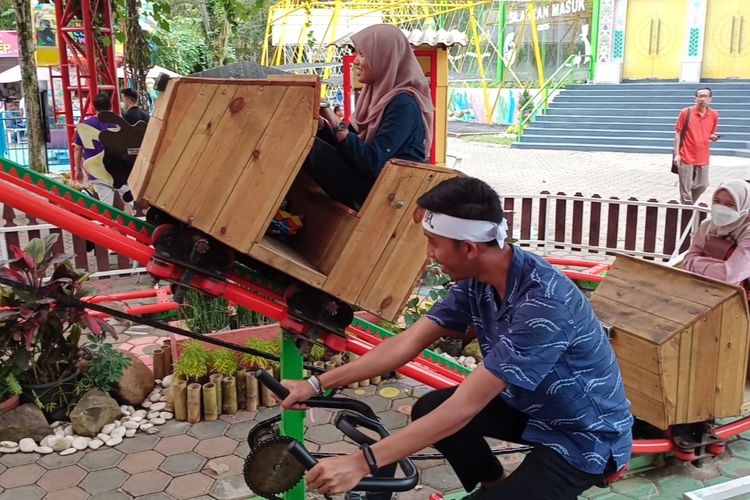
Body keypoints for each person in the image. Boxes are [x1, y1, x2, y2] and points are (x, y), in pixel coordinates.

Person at [278, 177, 633, 499]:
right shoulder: (478, 281)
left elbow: (464, 407)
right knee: (428, 408)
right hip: (533, 409)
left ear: (468, 248)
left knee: (450, 412)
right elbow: (408, 342)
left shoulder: (544, 304)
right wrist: (314, 384)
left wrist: (361, 462)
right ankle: (494, 485)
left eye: (433, 243)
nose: (429, 254)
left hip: (584, 437)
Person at [304, 23, 434, 210]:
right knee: (304, 136)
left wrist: (332, 118)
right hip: (366, 184)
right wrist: (321, 124)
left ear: (384, 59)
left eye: (363, 54)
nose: (356, 60)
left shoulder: (403, 104)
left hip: (383, 195)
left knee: (304, 145)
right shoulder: (373, 97)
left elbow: (370, 162)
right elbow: (347, 145)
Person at [683, 179, 750, 297]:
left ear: (744, 206)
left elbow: (729, 275)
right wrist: (719, 267)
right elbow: (687, 261)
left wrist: (696, 262)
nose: (721, 208)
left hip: (738, 300)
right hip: (703, 291)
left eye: (730, 204)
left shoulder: (747, 233)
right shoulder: (707, 225)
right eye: (717, 201)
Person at [73, 93, 132, 208]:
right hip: (119, 170)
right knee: (129, 201)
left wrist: (78, 169)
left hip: (96, 170)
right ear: (110, 106)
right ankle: (131, 223)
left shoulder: (85, 125)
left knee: (106, 206)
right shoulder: (119, 123)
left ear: (94, 107)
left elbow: (78, 148)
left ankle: (108, 225)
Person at [674, 87, 720, 205]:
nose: (702, 99)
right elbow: (678, 132)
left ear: (710, 99)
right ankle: (687, 208)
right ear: (695, 98)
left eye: (705, 96)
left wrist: (713, 137)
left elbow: (711, 133)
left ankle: (688, 205)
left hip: (703, 155)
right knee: (685, 188)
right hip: (686, 154)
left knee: (703, 185)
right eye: (700, 96)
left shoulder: (714, 115)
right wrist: (677, 154)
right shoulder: (686, 112)